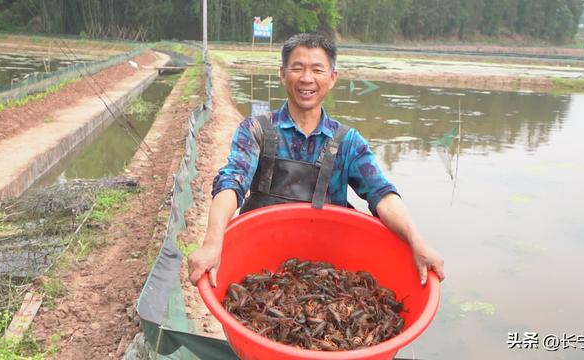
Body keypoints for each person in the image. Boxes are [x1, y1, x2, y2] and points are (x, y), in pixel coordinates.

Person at [188, 33, 444, 288]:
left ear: (332, 78)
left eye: (317, 70)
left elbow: (382, 196)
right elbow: (232, 182)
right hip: (258, 264)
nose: (307, 78)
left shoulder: (347, 141)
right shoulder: (256, 129)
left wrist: (416, 241)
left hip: (327, 270)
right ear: (282, 74)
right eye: (297, 68)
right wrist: (212, 242)